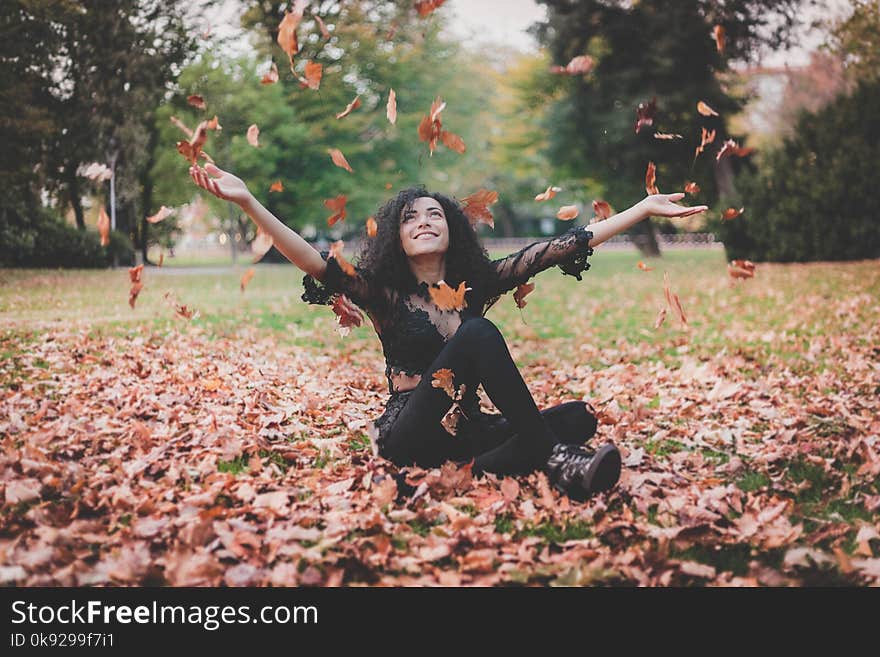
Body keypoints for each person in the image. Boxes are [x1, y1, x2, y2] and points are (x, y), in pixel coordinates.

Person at [189, 163, 706, 500]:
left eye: (435, 215)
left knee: (578, 417)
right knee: (479, 336)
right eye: (410, 218)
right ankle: (553, 461)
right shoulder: (382, 293)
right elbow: (312, 258)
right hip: (409, 430)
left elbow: (561, 247)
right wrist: (249, 202)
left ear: (451, 230)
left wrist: (639, 210)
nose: (424, 222)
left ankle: (477, 470)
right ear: (397, 237)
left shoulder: (476, 286)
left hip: (467, 430)